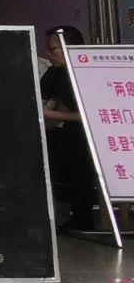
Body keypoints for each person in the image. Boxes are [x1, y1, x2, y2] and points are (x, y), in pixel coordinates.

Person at [42, 25, 102, 234]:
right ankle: (71, 216)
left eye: (53, 49)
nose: (49, 54)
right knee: (55, 151)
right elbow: (37, 97)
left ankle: (83, 218)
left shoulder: (90, 70)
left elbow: (96, 114)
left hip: (100, 131)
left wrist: (54, 115)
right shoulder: (55, 72)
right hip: (74, 130)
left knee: (80, 161)